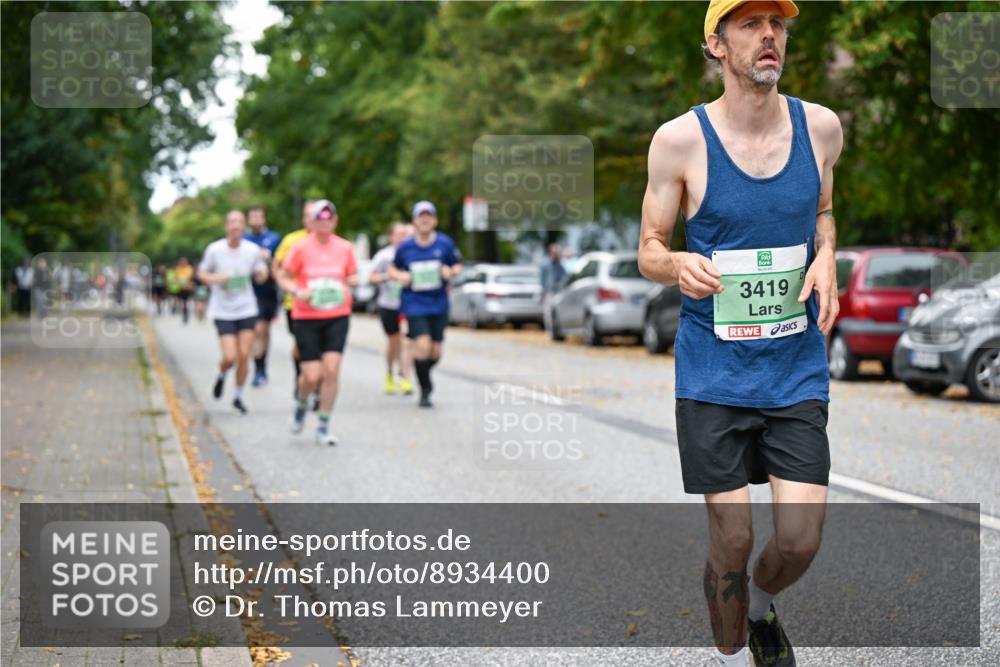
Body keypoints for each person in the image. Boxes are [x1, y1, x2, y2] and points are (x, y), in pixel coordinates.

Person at [637, 2, 842, 666]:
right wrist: (677, 263)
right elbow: (648, 248)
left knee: (801, 539)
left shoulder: (821, 128)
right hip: (713, 372)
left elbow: (824, 210)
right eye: (750, 25)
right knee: (732, 538)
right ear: (716, 44)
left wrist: (827, 254)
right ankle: (735, 634)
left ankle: (759, 605)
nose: (769, 35)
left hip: (794, 367)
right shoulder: (680, 141)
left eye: (776, 24)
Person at [275, 199, 358, 445]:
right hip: (306, 317)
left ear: (335, 221)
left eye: (329, 218)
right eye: (319, 218)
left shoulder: (345, 247)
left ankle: (323, 425)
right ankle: (301, 404)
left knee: (331, 370)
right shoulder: (300, 247)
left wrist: (353, 281)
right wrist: (296, 291)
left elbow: (352, 274)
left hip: (337, 315)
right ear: (312, 222)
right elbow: (283, 276)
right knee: (312, 376)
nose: (324, 223)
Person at [389, 201, 463, 408]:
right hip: (414, 303)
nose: (425, 220)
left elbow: (457, 265)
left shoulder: (445, 243)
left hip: (438, 303)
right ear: (414, 221)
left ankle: (422, 370)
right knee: (422, 344)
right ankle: (425, 389)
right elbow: (392, 270)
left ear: (435, 220)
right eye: (421, 216)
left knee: (435, 351)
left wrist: (451, 271)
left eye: (428, 216)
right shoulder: (406, 247)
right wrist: (401, 276)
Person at [197, 210, 270, 415]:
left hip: (246, 308)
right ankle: (221, 374)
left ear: (244, 226)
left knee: (244, 355)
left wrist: (262, 273)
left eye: (239, 222)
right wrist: (217, 279)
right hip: (222, 310)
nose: (236, 225)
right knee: (230, 357)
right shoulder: (215, 249)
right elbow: (202, 273)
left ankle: (237, 396)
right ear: (226, 226)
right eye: (232, 222)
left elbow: (261, 273)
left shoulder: (252, 250)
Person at [274, 200, 315, 400]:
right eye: (308, 215)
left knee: (322, 349)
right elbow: (277, 267)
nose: (312, 219)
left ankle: (315, 386)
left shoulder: (331, 241)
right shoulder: (292, 240)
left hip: (324, 306)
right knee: (302, 345)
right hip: (296, 305)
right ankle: (301, 378)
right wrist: (288, 287)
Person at [369, 222, 415, 395]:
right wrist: (387, 276)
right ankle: (389, 373)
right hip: (388, 304)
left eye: (406, 234)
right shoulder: (384, 256)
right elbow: (371, 277)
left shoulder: (412, 252)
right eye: (399, 234)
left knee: (406, 340)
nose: (403, 238)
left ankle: (404, 376)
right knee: (394, 342)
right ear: (391, 236)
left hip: (407, 305)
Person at [244, 206, 282, 387]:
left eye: (259, 216)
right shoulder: (243, 240)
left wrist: (268, 259)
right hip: (248, 292)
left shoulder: (274, 238)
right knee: (257, 330)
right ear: (248, 219)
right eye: (253, 217)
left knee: (264, 331)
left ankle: (262, 366)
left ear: (264, 219)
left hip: (268, 292)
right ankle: (258, 368)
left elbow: (281, 263)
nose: (256, 220)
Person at [174, 257, 195, 324]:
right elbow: (176, 277)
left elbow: (190, 277)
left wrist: (186, 281)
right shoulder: (178, 268)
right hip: (181, 288)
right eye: (182, 261)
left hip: (187, 288)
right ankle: (184, 313)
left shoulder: (189, 268)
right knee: (182, 302)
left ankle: (186, 313)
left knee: (186, 302)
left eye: (184, 261)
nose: (183, 263)